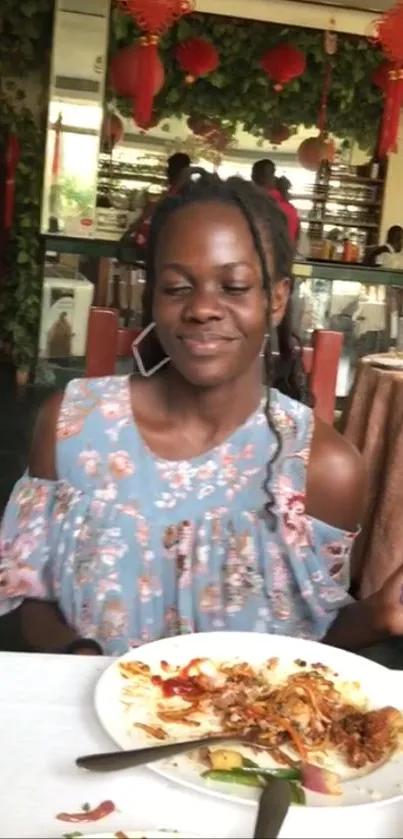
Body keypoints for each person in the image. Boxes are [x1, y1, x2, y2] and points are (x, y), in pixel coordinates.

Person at [1, 169, 403, 658]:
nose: (203, 309)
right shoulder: (72, 424)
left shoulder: (324, 468)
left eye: (233, 287)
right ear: (153, 296)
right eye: (176, 288)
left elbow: (309, 646)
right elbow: (26, 589)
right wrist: (77, 659)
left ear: (276, 299)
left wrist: (379, 616)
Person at [118, 152, 191, 259]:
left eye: (168, 167)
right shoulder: (185, 188)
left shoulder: (178, 189)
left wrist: (131, 230)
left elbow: (155, 208)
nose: (166, 171)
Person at [252, 159, 299, 243]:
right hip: (288, 254)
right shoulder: (289, 208)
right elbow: (296, 238)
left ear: (254, 178)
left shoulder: (256, 205)